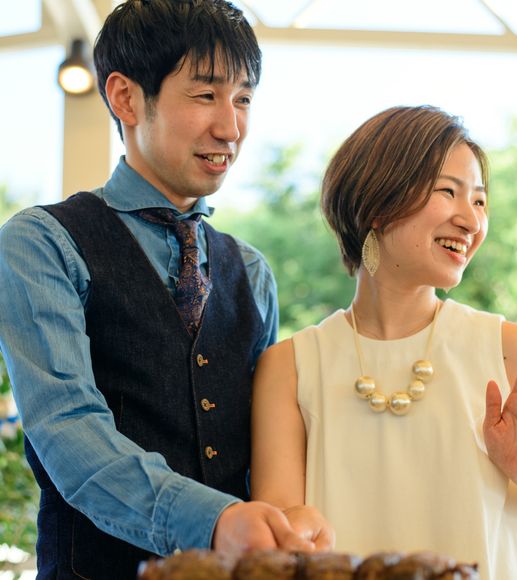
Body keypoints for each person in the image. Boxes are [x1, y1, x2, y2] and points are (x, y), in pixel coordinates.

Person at [0, 1, 331, 578]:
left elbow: (266, 451)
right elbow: (67, 428)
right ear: (126, 98)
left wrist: (287, 521)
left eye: (243, 99)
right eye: (205, 95)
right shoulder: (43, 242)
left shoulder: (252, 272)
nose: (230, 128)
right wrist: (214, 521)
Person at [251, 105, 517, 579]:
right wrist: (290, 529)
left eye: (480, 201)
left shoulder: (510, 348)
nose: (472, 221)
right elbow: (283, 533)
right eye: (449, 192)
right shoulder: (291, 366)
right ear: (378, 203)